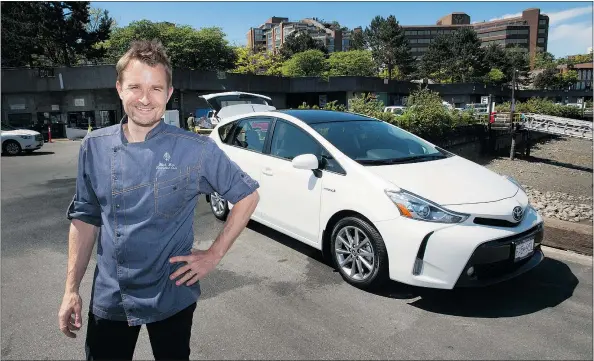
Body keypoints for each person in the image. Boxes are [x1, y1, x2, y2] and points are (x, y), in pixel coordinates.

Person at [57, 39, 260, 360]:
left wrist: (213, 255)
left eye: (156, 88)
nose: (144, 99)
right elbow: (85, 219)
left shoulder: (197, 149)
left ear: (168, 93)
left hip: (172, 293)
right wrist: (71, 290)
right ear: (119, 88)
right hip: (112, 294)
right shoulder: (94, 146)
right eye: (135, 86)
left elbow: (247, 195)